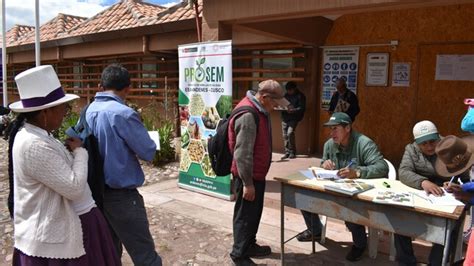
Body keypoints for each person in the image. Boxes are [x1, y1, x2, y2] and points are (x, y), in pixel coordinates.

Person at [7, 65, 119, 265]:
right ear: (46, 112)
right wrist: (80, 153)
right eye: (63, 109)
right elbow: (74, 188)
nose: (65, 114)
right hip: (52, 240)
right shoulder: (34, 144)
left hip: (74, 224)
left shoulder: (40, 136)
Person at [86, 64, 162, 265]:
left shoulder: (88, 110)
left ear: (101, 86)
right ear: (127, 88)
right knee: (145, 255)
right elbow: (148, 151)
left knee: (109, 254)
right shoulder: (123, 114)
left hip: (95, 195)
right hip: (122, 197)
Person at [298, 112, 388, 262]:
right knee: (303, 195)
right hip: (334, 188)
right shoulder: (329, 144)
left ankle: (360, 244)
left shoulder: (364, 143)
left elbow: (381, 167)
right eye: (330, 129)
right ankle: (315, 230)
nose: (331, 133)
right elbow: (324, 164)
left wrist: (358, 172)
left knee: (349, 208)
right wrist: (324, 165)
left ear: (347, 128)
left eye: (335, 128)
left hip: (356, 192)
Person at [228, 79, 290, 265]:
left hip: (256, 175)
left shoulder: (259, 110)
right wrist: (247, 184)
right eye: (274, 103)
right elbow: (242, 153)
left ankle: (249, 245)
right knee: (245, 216)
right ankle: (239, 254)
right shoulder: (248, 115)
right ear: (264, 97)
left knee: (253, 214)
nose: (276, 107)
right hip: (248, 177)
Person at [395, 122, 470, 266]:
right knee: (399, 218)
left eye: (433, 142)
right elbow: (404, 172)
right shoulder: (411, 150)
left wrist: (456, 184)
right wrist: (423, 182)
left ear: (438, 138)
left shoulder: (450, 147)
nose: (429, 147)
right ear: (416, 143)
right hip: (423, 195)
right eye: (424, 144)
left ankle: (436, 263)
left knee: (450, 226)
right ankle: (406, 261)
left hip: (447, 199)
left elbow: (465, 176)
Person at [280, 81, 306, 160]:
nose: (289, 92)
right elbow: (282, 105)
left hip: (294, 117)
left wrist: (293, 110)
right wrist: (283, 109)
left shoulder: (300, 96)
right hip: (285, 117)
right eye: (287, 90)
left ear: (294, 89)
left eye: (290, 90)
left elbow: (302, 108)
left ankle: (292, 152)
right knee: (285, 135)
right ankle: (287, 152)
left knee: (290, 133)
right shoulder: (286, 95)